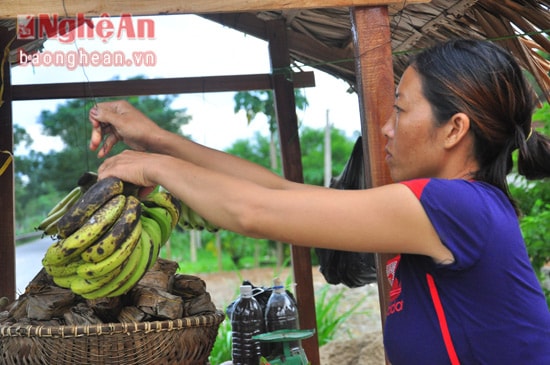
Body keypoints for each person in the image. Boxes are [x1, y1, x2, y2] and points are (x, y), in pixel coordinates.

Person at [89, 39, 550, 364]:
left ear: (455, 129)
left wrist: (153, 167)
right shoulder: (451, 208)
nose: (387, 129)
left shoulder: (455, 206)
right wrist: (155, 139)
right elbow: (280, 193)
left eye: (401, 109)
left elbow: (255, 211)